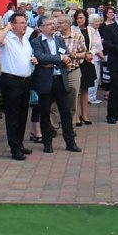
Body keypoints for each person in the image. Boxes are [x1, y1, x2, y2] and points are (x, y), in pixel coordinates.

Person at [30, 16, 82, 154]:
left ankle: (70, 142)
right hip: (45, 81)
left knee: (65, 112)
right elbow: (41, 57)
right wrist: (58, 58)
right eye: (49, 24)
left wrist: (53, 61)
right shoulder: (36, 42)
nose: (52, 26)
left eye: (53, 24)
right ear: (41, 27)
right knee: (45, 113)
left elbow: (68, 57)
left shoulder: (59, 39)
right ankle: (47, 143)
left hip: (60, 79)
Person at [0, 12, 38, 160]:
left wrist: (32, 61)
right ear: (13, 25)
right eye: (21, 23)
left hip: (25, 81)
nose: (25, 25)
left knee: (22, 115)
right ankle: (14, 149)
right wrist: (7, 27)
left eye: (25, 22)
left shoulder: (25, 40)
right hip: (11, 81)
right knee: (12, 116)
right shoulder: (7, 39)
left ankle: (19, 144)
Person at [56, 14, 88, 125]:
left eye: (60, 23)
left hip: (72, 71)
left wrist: (74, 56)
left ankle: (70, 126)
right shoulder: (55, 36)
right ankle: (54, 126)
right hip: (57, 73)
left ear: (68, 24)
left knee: (72, 101)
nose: (58, 25)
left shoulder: (78, 36)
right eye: (57, 22)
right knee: (55, 102)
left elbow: (85, 53)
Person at [74, 9, 99, 124]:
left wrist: (91, 54)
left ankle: (84, 115)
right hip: (77, 62)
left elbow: (94, 45)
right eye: (77, 18)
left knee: (85, 90)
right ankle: (75, 116)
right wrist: (82, 55)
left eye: (81, 18)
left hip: (88, 62)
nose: (79, 20)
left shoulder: (91, 30)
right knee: (76, 91)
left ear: (85, 19)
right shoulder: (73, 30)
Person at [86, 13, 105, 106]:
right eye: (96, 21)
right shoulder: (91, 30)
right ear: (91, 22)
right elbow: (95, 45)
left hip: (97, 58)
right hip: (94, 57)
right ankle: (90, 97)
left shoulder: (96, 30)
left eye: (99, 21)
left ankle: (93, 96)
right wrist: (102, 55)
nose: (98, 23)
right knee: (94, 78)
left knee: (97, 78)